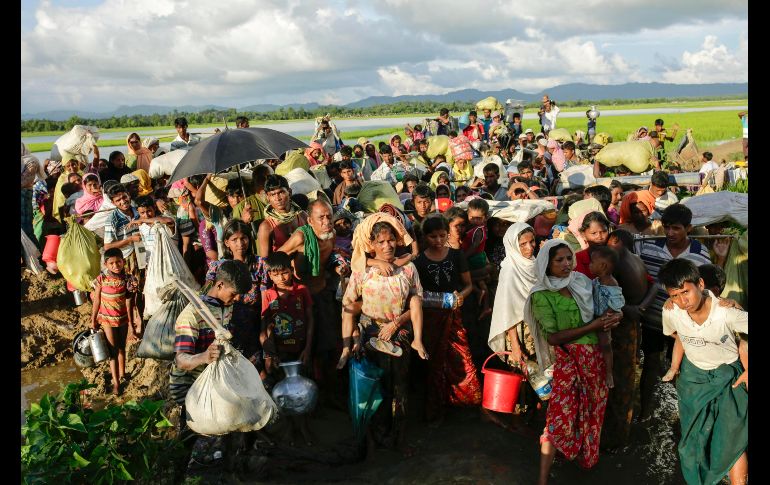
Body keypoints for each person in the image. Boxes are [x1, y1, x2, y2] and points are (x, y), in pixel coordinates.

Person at [524, 239, 621, 485]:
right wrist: (593, 326)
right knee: (558, 416)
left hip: (596, 358)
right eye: (560, 260)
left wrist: (613, 317)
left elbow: (604, 306)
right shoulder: (542, 294)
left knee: (592, 413)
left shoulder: (581, 281)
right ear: (547, 264)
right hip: (569, 360)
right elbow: (554, 337)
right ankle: (542, 479)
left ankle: (585, 461)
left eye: (569, 258)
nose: (567, 264)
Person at [338, 220, 428, 448]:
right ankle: (376, 432)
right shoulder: (363, 271)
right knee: (374, 383)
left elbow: (417, 302)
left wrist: (396, 323)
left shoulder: (408, 268)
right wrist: (356, 335)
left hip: (399, 331)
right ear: (372, 245)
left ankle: (399, 435)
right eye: (381, 242)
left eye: (391, 240)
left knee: (399, 385)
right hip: (370, 330)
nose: (387, 246)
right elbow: (349, 304)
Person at [657, 259, 748, 485]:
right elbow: (676, 335)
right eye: (674, 295)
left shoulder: (727, 312)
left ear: (700, 283)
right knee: (692, 443)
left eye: (686, 292)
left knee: (731, 442)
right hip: (693, 380)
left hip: (729, 380)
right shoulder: (671, 311)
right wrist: (675, 367)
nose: (682, 301)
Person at [168, 259, 254, 466]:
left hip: (211, 379)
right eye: (233, 294)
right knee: (191, 432)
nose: (235, 299)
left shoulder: (227, 306)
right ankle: (178, 470)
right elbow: (181, 360)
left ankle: (222, 462)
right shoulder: (191, 315)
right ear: (220, 285)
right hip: (189, 385)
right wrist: (204, 357)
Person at [638, 203, 711, 420]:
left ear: (688, 228)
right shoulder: (648, 247)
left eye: (676, 228)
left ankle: (682, 413)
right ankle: (644, 411)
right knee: (650, 363)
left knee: (682, 366)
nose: (670, 233)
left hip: (684, 324)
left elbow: (703, 288)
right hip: (653, 320)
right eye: (667, 227)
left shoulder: (700, 252)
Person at [414, 215, 480, 423]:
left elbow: (468, 284)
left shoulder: (456, 255)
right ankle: (435, 405)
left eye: (442, 235)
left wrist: (462, 296)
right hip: (431, 318)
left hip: (454, 314)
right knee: (433, 361)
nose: (438, 240)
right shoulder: (419, 261)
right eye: (433, 236)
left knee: (459, 357)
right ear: (425, 237)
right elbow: (417, 293)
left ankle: (461, 401)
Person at [261, 251, 315, 445]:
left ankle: (305, 428)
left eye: (284, 272)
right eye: (275, 274)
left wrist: (308, 348)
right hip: (280, 353)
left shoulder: (302, 291)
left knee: (303, 392)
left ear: (291, 270)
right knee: (284, 393)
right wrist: (270, 354)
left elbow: (310, 320)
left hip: (300, 350)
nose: (281, 278)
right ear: (269, 276)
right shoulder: (268, 295)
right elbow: (265, 325)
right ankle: (291, 430)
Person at [487, 223, 538, 419]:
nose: (529, 247)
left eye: (531, 241)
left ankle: (534, 411)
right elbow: (507, 312)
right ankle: (520, 414)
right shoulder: (510, 270)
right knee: (521, 372)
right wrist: (515, 346)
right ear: (513, 245)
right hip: (518, 332)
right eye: (523, 244)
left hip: (535, 329)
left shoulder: (535, 264)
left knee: (537, 372)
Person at [90, 247, 137, 396]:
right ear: (106, 264)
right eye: (112, 263)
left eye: (118, 262)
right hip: (106, 320)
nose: (116, 266)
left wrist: (131, 323)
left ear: (123, 262)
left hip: (122, 318)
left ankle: (123, 374)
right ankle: (116, 383)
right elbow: (97, 300)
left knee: (122, 348)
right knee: (112, 352)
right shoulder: (101, 279)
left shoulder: (127, 279)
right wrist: (93, 320)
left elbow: (130, 301)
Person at [103, 183, 145, 336]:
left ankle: (141, 320)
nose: (123, 201)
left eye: (124, 197)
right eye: (118, 200)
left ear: (128, 195)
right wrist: (129, 239)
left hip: (143, 254)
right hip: (127, 258)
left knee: (142, 291)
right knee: (130, 294)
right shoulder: (112, 219)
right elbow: (108, 246)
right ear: (113, 203)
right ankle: (131, 328)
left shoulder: (137, 210)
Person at [589, 246, 625, 389]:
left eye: (592, 262)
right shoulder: (597, 280)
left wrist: (605, 316)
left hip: (604, 319)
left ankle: (609, 373)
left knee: (605, 344)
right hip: (595, 317)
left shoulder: (612, 283)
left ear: (603, 266)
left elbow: (618, 302)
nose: (590, 265)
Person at [462, 198, 491, 318]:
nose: (474, 220)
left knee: (466, 278)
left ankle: (479, 292)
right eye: (472, 217)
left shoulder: (478, 230)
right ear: (467, 214)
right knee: (481, 282)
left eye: (478, 218)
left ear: (485, 218)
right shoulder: (475, 227)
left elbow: (474, 246)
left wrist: (463, 257)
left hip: (474, 258)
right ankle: (486, 306)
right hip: (478, 257)